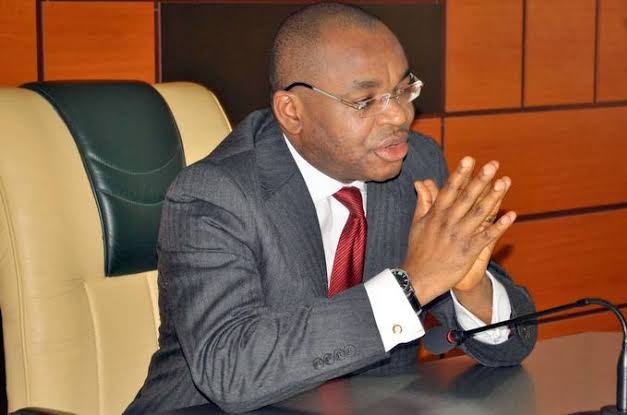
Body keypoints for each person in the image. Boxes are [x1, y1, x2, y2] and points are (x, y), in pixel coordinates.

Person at [126, 3, 536, 413]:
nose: (399, 115)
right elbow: (231, 370)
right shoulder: (215, 195)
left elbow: (513, 343)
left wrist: (470, 288)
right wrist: (411, 285)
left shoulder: (416, 167)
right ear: (292, 112)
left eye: (402, 90)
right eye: (365, 101)